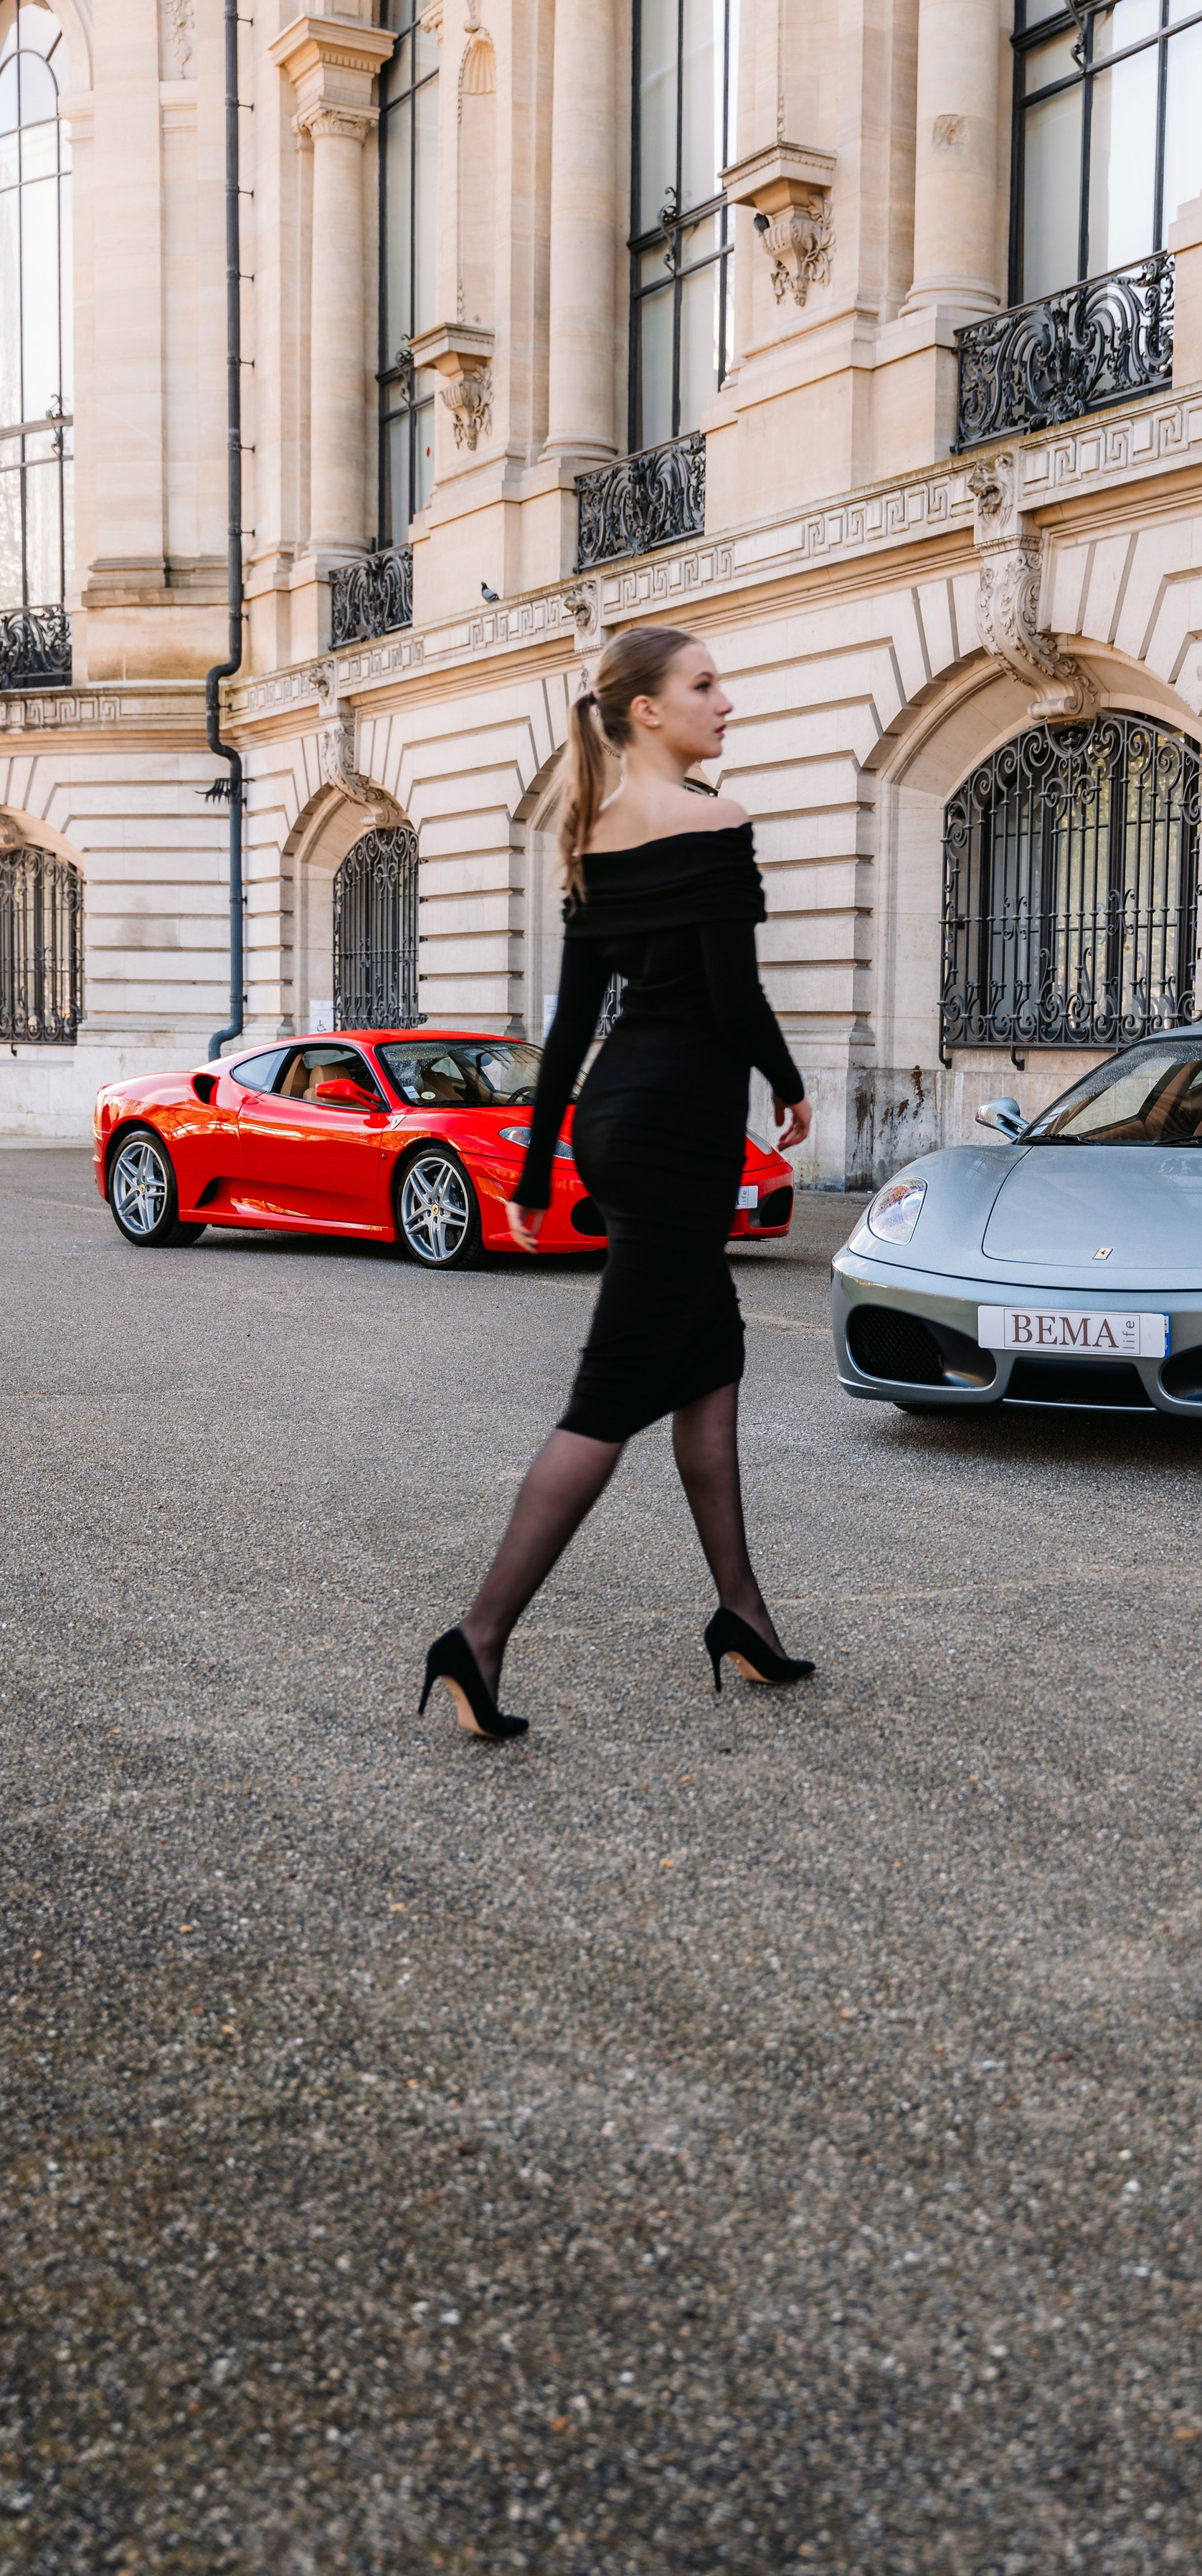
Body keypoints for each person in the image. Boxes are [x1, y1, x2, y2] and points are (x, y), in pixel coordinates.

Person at [420, 624, 815, 1740]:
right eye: (705, 684)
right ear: (646, 708)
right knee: (610, 1390)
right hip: (681, 1128)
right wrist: (788, 1083)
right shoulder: (716, 823)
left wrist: (541, 1163)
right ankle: (479, 1636)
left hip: (610, 1119)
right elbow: (733, 1001)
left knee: (713, 1354)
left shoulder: (591, 835)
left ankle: (744, 1615)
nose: (724, 701)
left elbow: (570, 1019)